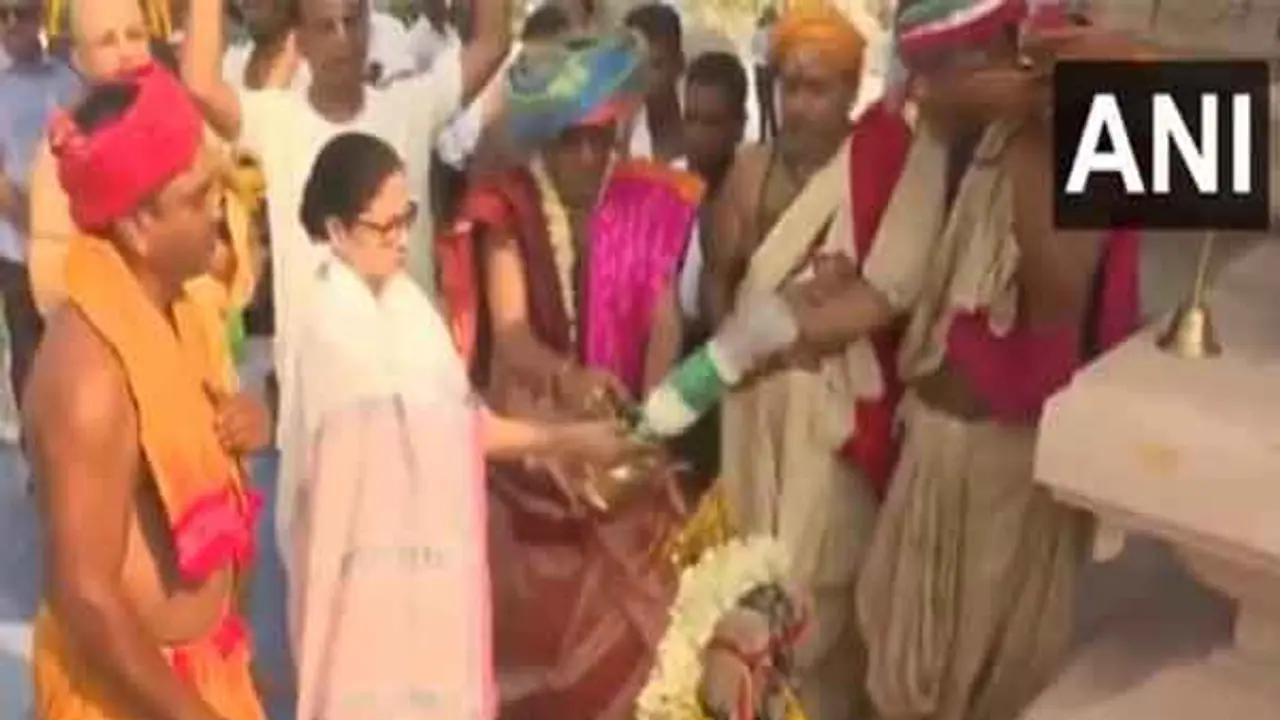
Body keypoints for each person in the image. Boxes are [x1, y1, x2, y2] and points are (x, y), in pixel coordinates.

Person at [284, 131, 638, 720]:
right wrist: (564, 440)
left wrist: (572, 441)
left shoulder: (411, 313)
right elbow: (411, 447)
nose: (402, 240)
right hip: (362, 604)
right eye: (384, 227)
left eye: (408, 219)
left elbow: (462, 428)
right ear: (339, 232)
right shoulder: (327, 325)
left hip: (432, 601)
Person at [854, 2, 1142, 720]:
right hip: (933, 452)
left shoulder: (1084, 142)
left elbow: (1055, 296)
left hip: (1011, 472)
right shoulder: (958, 144)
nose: (925, 91)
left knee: (991, 693)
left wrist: (1029, 123)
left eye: (944, 68)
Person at [439, 31, 699, 720]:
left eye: (600, 140)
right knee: (541, 645)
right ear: (545, 142)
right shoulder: (510, 206)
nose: (587, 157)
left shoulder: (652, 201)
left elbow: (665, 316)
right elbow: (515, 337)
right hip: (539, 437)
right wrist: (573, 382)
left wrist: (653, 420)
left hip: (624, 431)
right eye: (571, 141)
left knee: (639, 641)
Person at [25, 65, 268, 720]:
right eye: (195, 200)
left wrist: (246, 425)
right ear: (136, 228)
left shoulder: (179, 314)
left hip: (201, 675)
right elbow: (83, 595)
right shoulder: (89, 374)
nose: (219, 211)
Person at [702, 2, 920, 717]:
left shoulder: (881, 170)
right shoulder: (749, 172)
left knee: (823, 595)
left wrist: (804, 329)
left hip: (833, 426)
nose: (799, 104)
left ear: (852, 87)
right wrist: (733, 347)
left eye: (818, 87)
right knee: (748, 583)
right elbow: (718, 281)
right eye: (789, 85)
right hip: (753, 415)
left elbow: (893, 295)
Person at [181, 0, 511, 455]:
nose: (343, 40)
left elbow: (493, 43)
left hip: (413, 398)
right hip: (319, 412)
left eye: (352, 22)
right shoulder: (276, 120)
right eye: (326, 27)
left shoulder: (410, 106)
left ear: (370, 24)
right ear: (302, 39)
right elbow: (199, 84)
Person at [28, 0, 151, 316]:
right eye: (107, 41)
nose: (126, 52)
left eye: (135, 36)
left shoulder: (186, 124)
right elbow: (49, 286)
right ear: (79, 60)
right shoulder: (60, 152)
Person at [668, 49, 747, 490]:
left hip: (734, 379)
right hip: (673, 368)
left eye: (711, 123)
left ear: (739, 124)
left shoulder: (755, 190)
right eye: (691, 119)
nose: (696, 135)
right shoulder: (667, 187)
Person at [0, 0, 79, 417]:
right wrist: (39, 226)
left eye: (22, 12)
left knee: (69, 358)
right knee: (28, 360)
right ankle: (38, 465)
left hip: (68, 250)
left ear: (40, 15)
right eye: (3, 14)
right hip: (16, 249)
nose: (13, 23)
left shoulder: (68, 83)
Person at [622, 3, 684, 160]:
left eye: (656, 65)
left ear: (679, 64)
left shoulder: (703, 128)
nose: (644, 79)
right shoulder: (623, 140)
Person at [751, 6, 777, 141]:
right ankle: (773, 134)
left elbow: (753, 50)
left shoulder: (758, 31)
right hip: (769, 68)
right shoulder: (774, 32)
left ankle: (762, 136)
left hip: (758, 68)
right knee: (771, 102)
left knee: (761, 102)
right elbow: (773, 51)